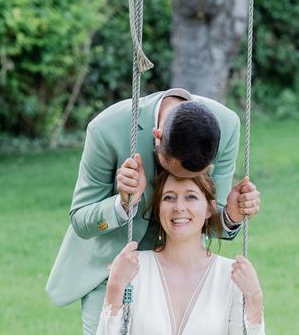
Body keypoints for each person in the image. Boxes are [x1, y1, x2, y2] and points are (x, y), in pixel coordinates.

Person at [46, 88, 261, 334]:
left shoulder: (226, 125)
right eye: (169, 170)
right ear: (156, 136)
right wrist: (123, 204)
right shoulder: (107, 129)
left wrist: (230, 216)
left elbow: (207, 215)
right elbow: (80, 220)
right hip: (114, 270)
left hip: (183, 271)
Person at [96, 171, 265, 335]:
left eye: (191, 197)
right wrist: (115, 287)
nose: (179, 207)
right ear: (158, 209)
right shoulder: (132, 267)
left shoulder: (232, 275)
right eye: (169, 197)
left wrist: (254, 298)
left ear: (209, 209)